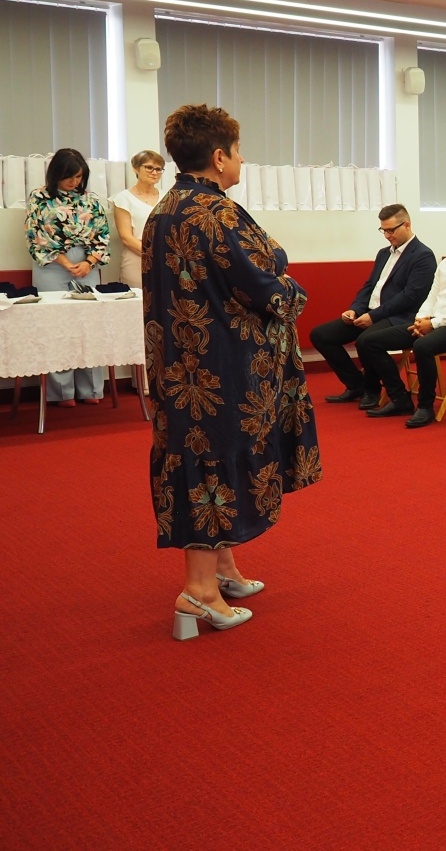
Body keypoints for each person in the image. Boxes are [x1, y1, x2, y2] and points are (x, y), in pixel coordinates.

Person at [145, 103, 321, 639]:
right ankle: (198, 592)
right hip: (221, 366)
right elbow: (267, 283)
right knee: (213, 461)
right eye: (239, 151)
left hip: (180, 366)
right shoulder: (217, 213)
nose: (243, 160)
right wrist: (289, 279)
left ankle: (222, 569)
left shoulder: (163, 209)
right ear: (219, 157)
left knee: (198, 456)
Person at [359, 215, 446, 428]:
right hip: (434, 322)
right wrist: (421, 319)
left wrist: (433, 324)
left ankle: (425, 406)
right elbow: (432, 297)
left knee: (423, 346)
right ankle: (400, 398)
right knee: (370, 342)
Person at [309, 204, 437, 409]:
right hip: (373, 312)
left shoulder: (423, 255)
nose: (387, 235)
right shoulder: (384, 253)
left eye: (391, 230)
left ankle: (377, 390)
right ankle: (356, 385)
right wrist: (355, 309)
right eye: (383, 230)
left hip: (400, 316)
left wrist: (374, 316)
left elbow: (410, 297)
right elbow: (370, 286)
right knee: (321, 335)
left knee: (365, 340)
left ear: (407, 225)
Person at [24, 147, 111, 406]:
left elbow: (102, 234)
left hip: (87, 264)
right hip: (51, 265)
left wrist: (88, 262)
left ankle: (91, 389)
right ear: (56, 174)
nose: (74, 182)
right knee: (57, 327)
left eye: (78, 177)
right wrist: (65, 262)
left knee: (88, 326)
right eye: (68, 177)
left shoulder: (91, 200)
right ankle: (62, 392)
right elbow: (36, 235)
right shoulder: (39, 197)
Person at [109, 149, 165, 284]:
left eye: (158, 169)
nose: (154, 172)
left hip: (165, 259)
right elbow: (126, 238)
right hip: (136, 261)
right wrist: (153, 254)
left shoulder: (168, 197)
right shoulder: (123, 199)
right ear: (136, 168)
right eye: (149, 167)